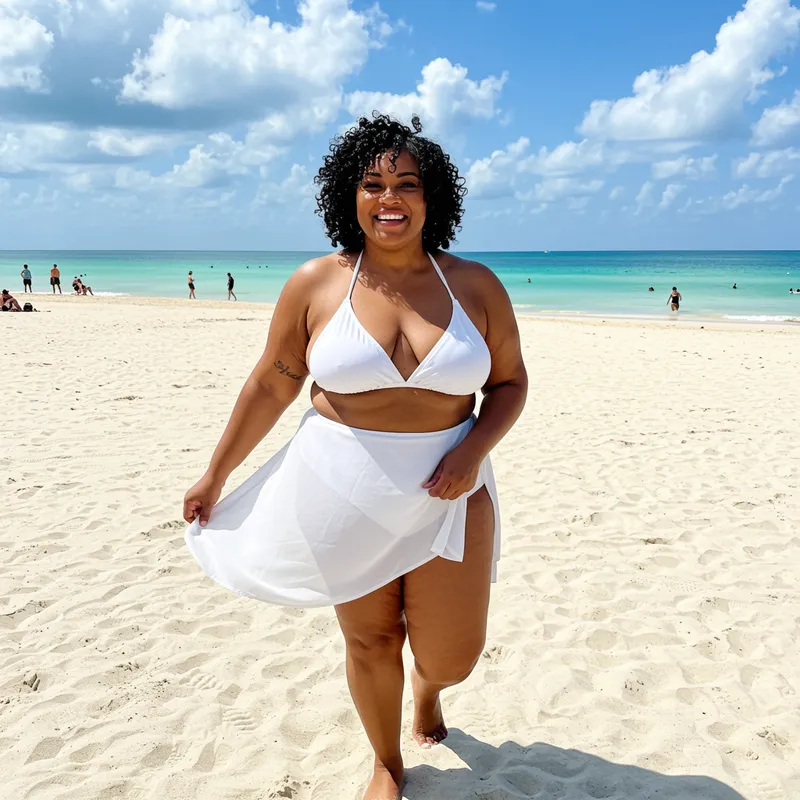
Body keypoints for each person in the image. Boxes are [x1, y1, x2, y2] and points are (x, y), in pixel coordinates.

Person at [183, 114, 528, 800]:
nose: (389, 197)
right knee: (370, 640)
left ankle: (429, 693)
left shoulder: (476, 286)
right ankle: (386, 763)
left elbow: (511, 384)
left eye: (406, 184)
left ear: (433, 199)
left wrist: (473, 450)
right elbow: (273, 380)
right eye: (372, 184)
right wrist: (216, 471)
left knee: (451, 655)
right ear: (351, 195)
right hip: (339, 487)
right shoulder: (316, 284)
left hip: (449, 488)